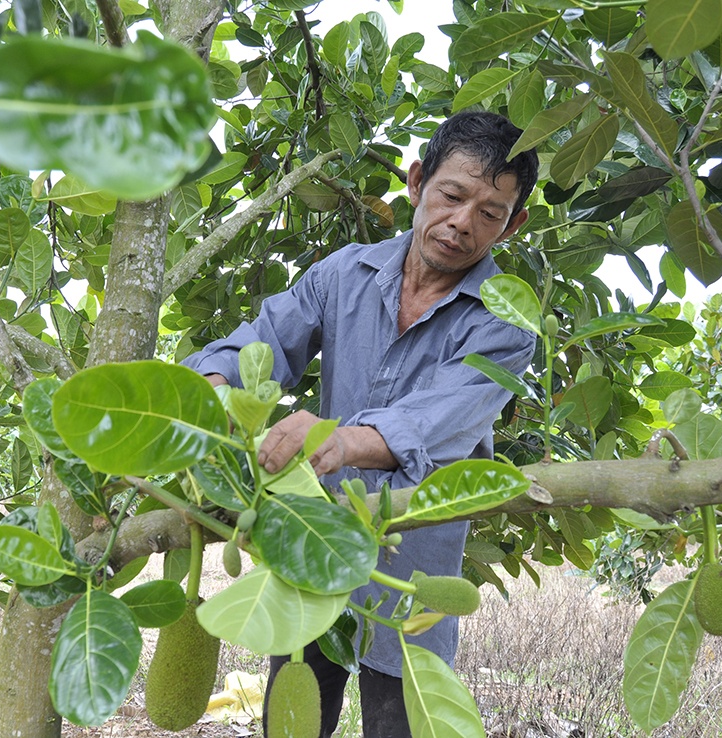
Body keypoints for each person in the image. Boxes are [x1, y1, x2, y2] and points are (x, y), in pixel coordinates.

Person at [181, 110, 539, 737]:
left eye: (490, 213)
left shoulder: (504, 326)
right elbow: (263, 345)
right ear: (418, 180)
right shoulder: (342, 274)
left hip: (411, 583)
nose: (462, 224)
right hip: (313, 558)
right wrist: (215, 387)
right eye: (453, 196)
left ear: (514, 226)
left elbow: (441, 421)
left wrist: (342, 439)